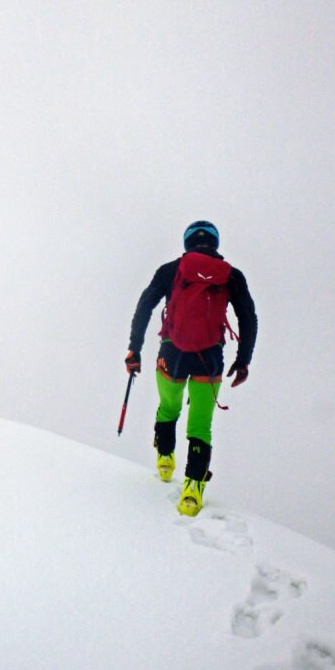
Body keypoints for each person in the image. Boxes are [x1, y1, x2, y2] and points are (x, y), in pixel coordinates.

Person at [125, 221, 257, 516]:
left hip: (172, 351)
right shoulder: (231, 276)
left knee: (168, 407)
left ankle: (165, 458)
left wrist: (135, 348)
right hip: (209, 357)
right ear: (215, 243)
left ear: (186, 243)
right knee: (200, 425)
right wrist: (243, 359)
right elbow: (248, 317)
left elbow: (145, 305)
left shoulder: (170, 270)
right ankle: (192, 490)